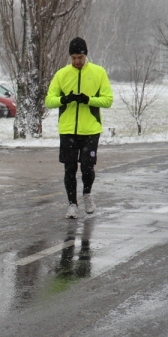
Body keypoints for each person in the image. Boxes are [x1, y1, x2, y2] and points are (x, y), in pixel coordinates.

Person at [45, 37, 113, 219]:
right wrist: (63, 99)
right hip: (68, 130)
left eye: (80, 57)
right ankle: (72, 204)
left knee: (87, 167)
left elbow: (108, 100)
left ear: (86, 56)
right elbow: (49, 100)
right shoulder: (61, 75)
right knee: (69, 168)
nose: (77, 61)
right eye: (74, 57)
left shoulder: (98, 73)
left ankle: (87, 194)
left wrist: (89, 100)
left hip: (90, 129)